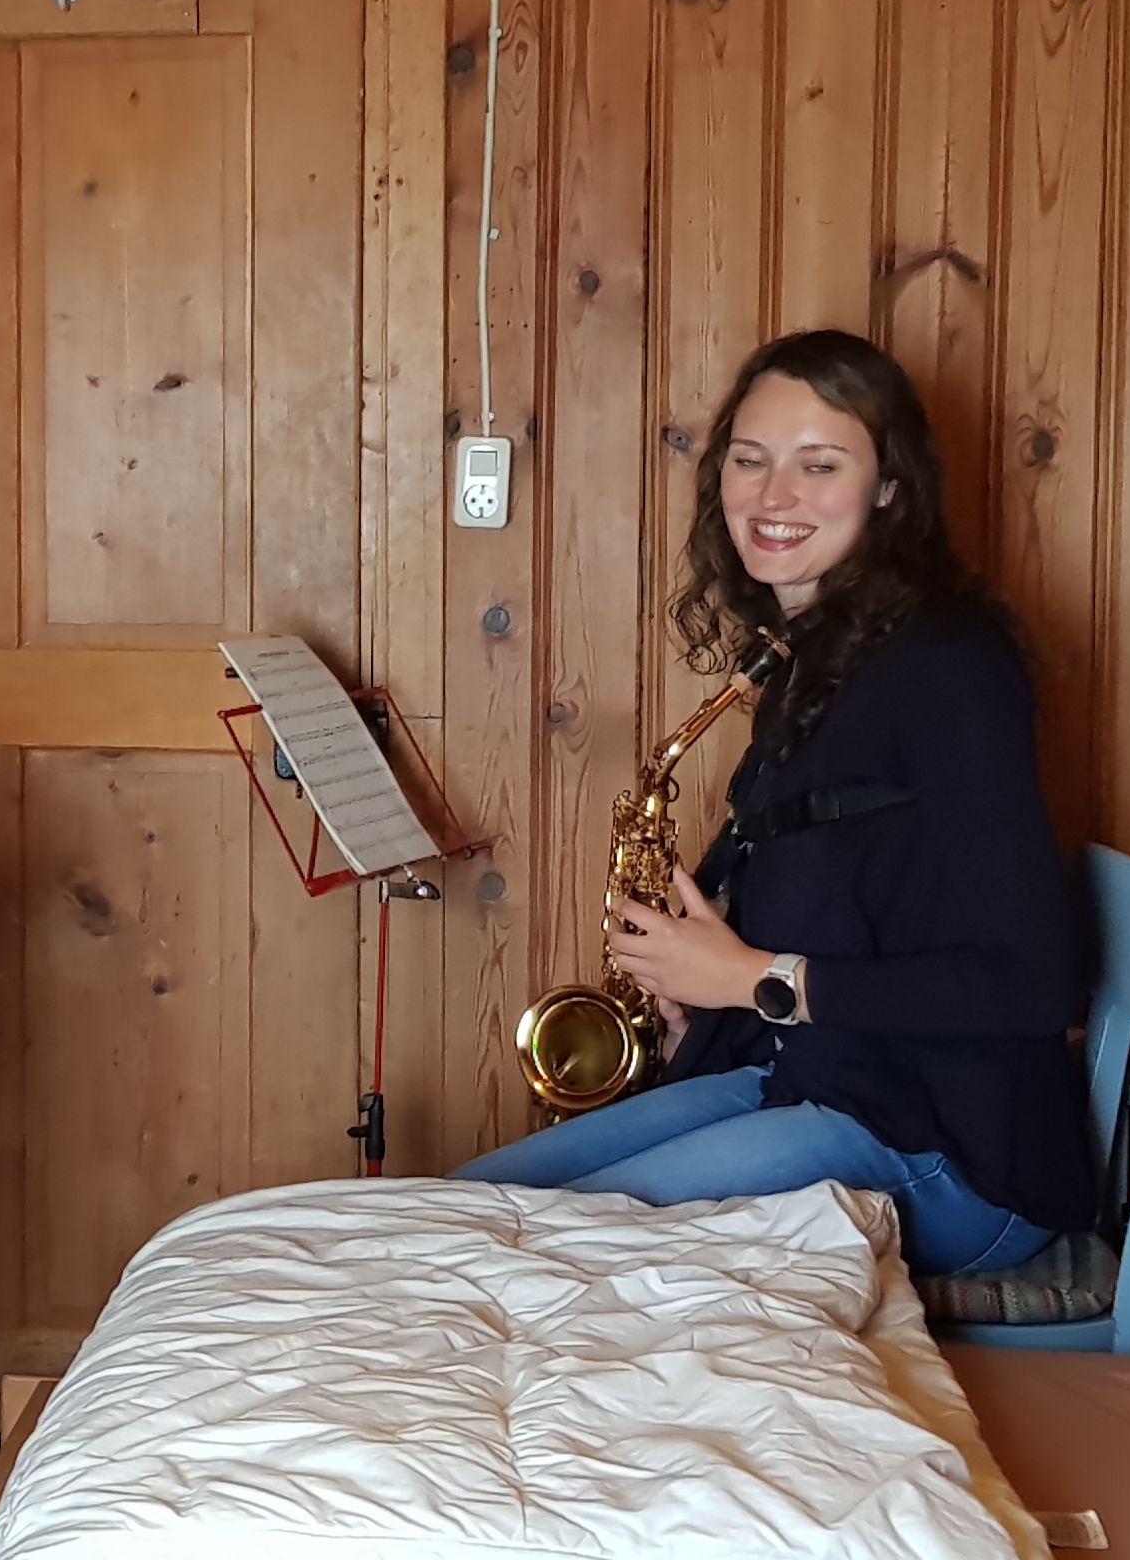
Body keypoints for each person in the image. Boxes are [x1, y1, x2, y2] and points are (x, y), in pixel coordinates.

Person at [456, 330, 1095, 1277]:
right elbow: (858, 908)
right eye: (750, 460)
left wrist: (758, 980)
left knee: (539, 1255)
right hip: (810, 1081)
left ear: (890, 488)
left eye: (819, 465)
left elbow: (1033, 983)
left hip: (950, 1154)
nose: (772, 496)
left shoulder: (952, 666)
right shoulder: (820, 657)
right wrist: (701, 1005)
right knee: (456, 1209)